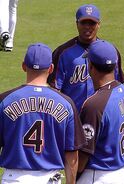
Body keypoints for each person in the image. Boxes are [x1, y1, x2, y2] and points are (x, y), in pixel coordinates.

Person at [0, 43, 86, 184]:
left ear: (23, 66)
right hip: (49, 179)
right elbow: (71, 154)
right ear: (51, 68)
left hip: (13, 179)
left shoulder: (4, 100)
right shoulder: (66, 103)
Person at [48, 4, 124, 113]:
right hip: (72, 117)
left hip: (102, 115)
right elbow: (54, 90)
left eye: (92, 23)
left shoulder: (111, 52)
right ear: (77, 24)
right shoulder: (62, 53)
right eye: (83, 22)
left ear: (99, 24)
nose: (87, 26)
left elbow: (118, 87)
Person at [76, 40, 124, 184]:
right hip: (122, 172)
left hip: (99, 175)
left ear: (91, 67)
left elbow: (82, 157)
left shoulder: (94, 104)